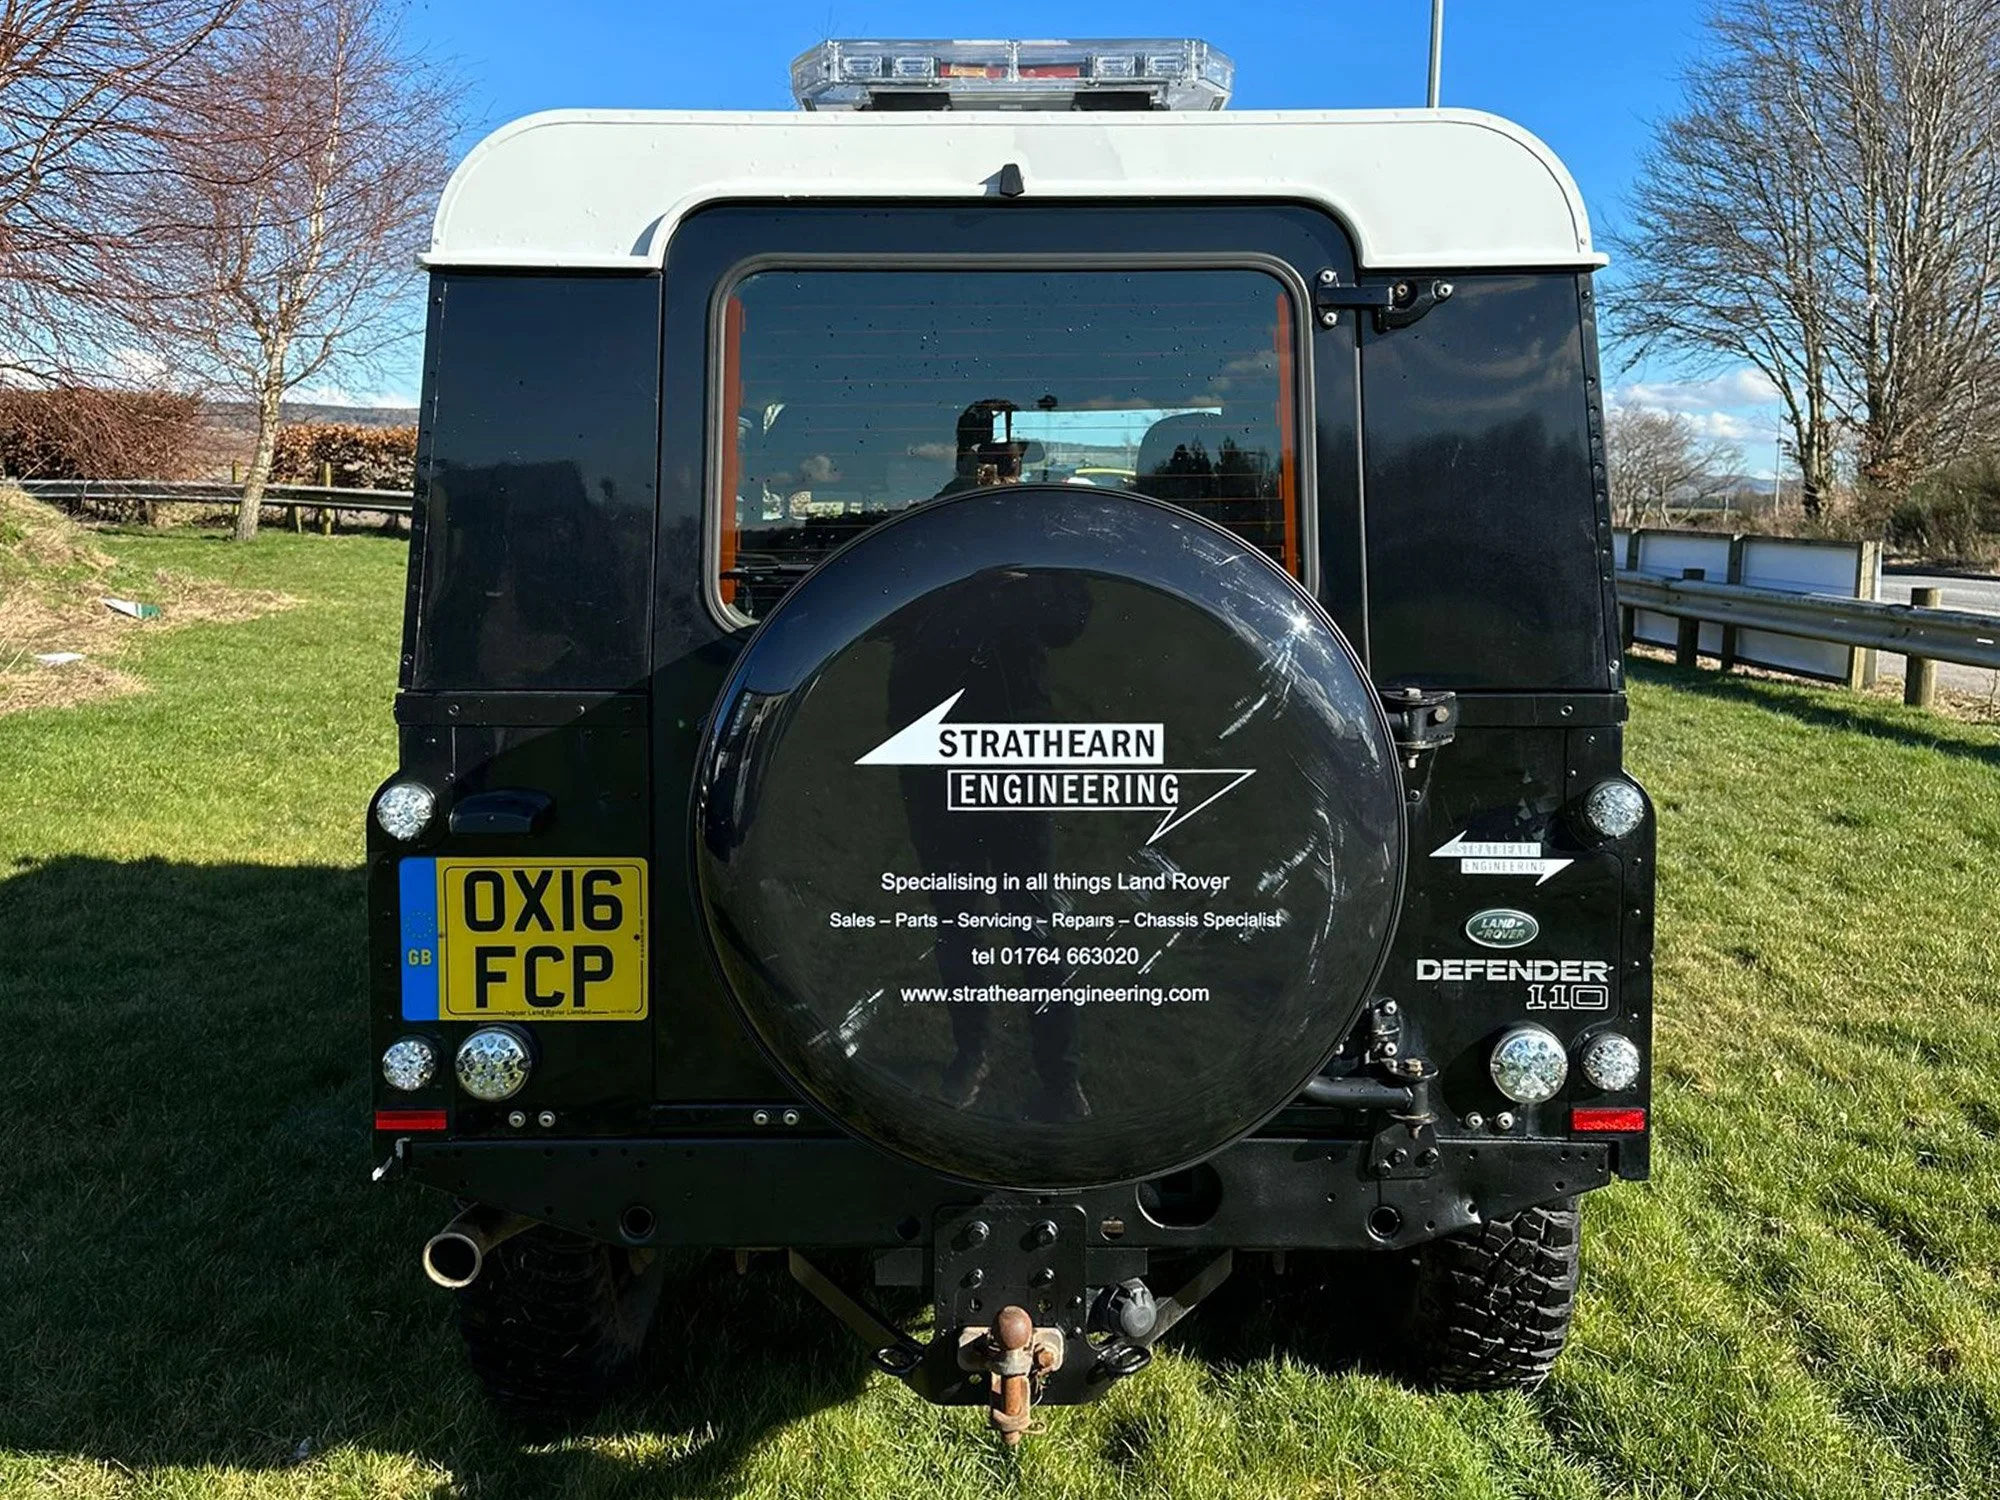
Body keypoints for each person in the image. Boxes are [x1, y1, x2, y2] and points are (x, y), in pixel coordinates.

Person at [935, 398, 1029, 497]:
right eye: (986, 467)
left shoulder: (1032, 503)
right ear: (962, 462)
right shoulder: (939, 509)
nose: (996, 480)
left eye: (1006, 463)